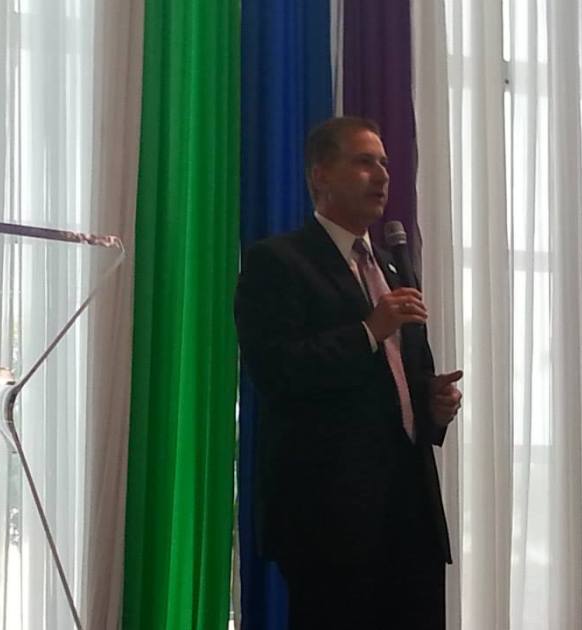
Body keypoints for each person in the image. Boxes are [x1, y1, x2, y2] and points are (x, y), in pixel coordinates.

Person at [235, 116, 462, 630]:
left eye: (384, 163)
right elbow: (276, 370)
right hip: (329, 518)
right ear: (320, 175)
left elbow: (403, 378)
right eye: (364, 162)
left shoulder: (392, 268)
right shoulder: (279, 263)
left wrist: (432, 404)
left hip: (410, 512)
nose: (381, 175)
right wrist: (368, 330)